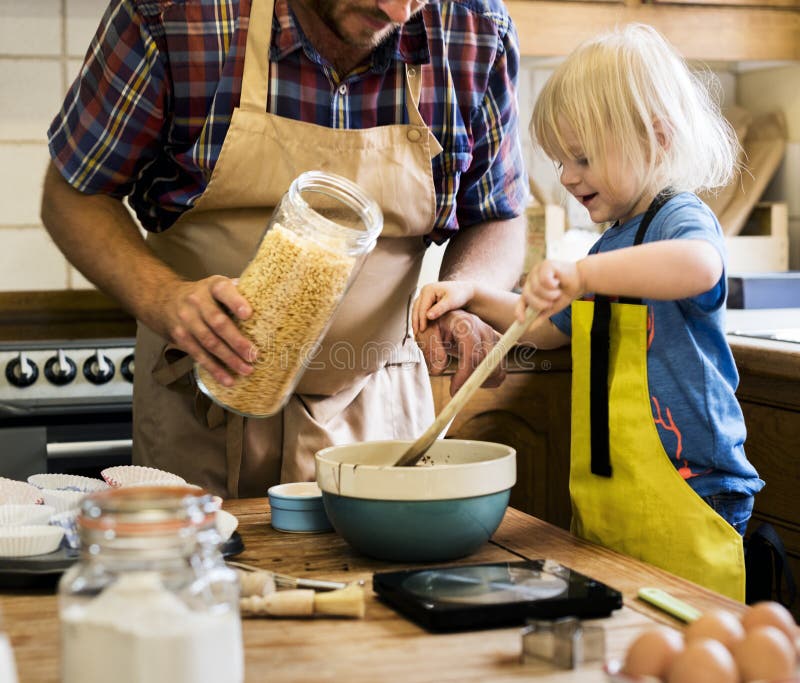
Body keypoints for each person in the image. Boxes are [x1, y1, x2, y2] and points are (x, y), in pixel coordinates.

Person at [41, 0, 528, 499]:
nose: (398, 12)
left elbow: (497, 214)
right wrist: (164, 298)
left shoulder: (474, 28)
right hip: (197, 405)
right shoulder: (174, 16)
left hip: (378, 412)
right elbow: (71, 196)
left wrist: (470, 292)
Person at [412, 23, 763, 601]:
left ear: (657, 137)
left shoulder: (678, 219)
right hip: (614, 489)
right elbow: (549, 329)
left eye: (583, 157)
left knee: (690, 640)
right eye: (560, 160)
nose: (568, 177)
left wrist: (584, 275)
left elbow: (702, 267)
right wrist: (471, 295)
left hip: (696, 489)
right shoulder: (608, 245)